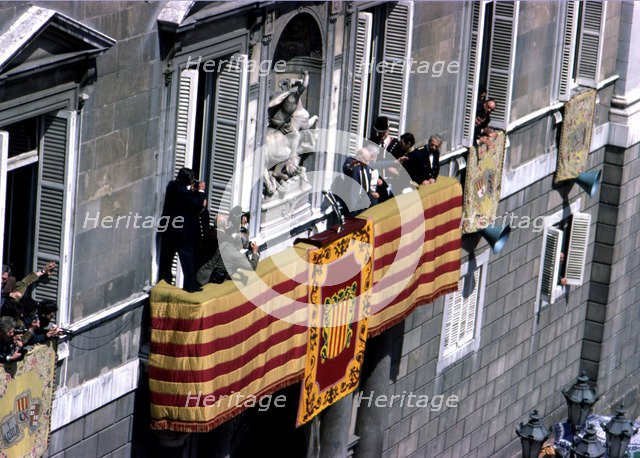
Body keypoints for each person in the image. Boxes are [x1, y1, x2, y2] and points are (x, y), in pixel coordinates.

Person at [158, 167, 207, 292]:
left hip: (170, 231)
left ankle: (164, 283)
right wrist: (200, 192)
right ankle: (190, 285)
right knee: (187, 260)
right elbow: (196, 206)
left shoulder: (172, 186)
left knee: (167, 260)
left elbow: (185, 203)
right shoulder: (183, 192)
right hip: (182, 233)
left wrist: (192, 192)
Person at [197, 221, 260, 286]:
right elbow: (252, 267)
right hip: (208, 281)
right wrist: (255, 251)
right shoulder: (235, 254)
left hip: (202, 274)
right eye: (246, 243)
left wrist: (243, 228)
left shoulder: (225, 242)